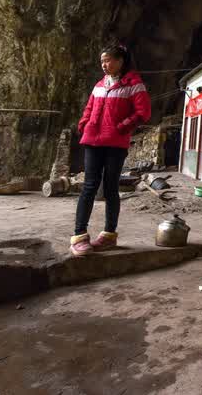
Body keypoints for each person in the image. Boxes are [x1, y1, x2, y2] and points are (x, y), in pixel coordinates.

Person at [71, 43, 151, 257]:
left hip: (115, 142)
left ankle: (109, 235)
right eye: (102, 61)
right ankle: (79, 236)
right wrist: (84, 124)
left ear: (120, 61)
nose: (104, 65)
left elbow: (143, 112)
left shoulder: (134, 84)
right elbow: (89, 107)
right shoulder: (99, 85)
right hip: (92, 140)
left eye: (108, 60)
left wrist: (122, 127)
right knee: (89, 186)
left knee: (110, 188)